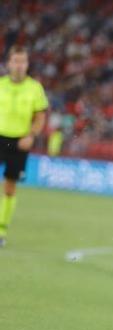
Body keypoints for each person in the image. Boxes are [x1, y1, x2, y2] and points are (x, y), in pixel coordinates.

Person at [0, 46, 48, 248]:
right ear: (9, 63)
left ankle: (1, 229)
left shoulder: (35, 88)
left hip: (20, 141)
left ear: (27, 64)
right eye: (16, 61)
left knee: (10, 187)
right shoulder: (1, 84)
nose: (19, 65)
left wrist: (32, 135)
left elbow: (40, 116)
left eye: (23, 61)